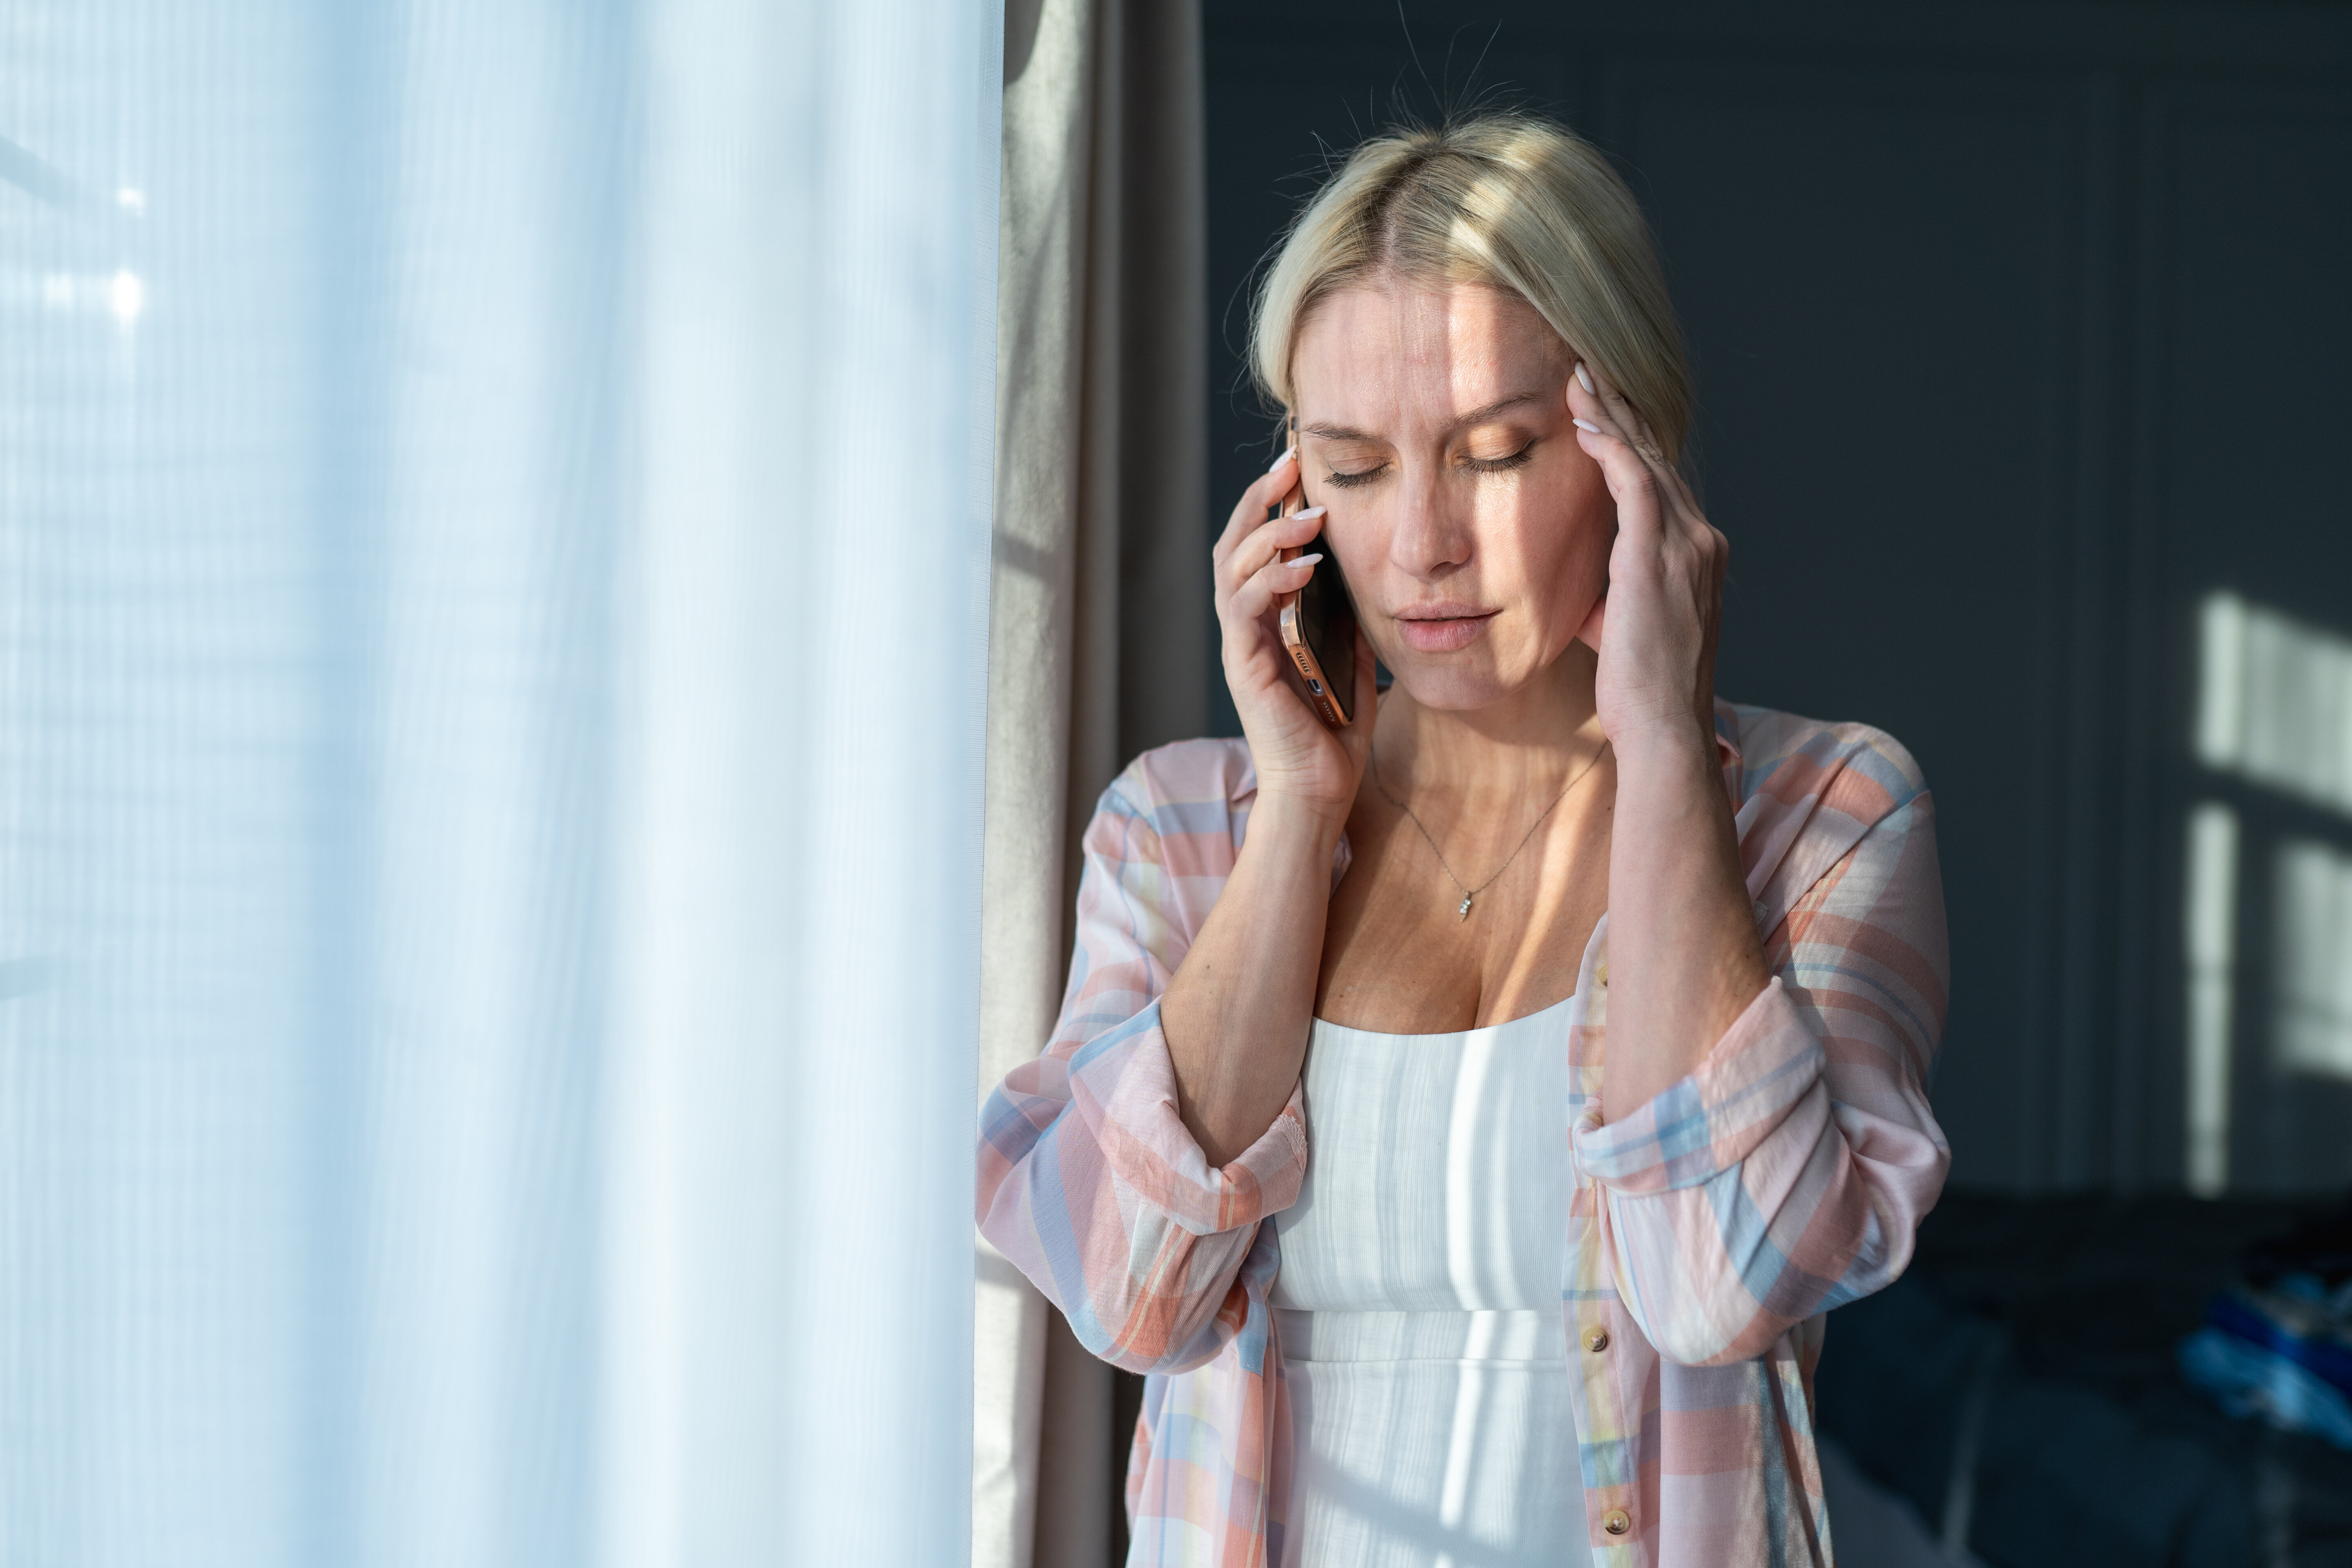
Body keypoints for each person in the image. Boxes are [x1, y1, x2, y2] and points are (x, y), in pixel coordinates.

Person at [977, 112, 1949, 1568]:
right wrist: (1299, 812)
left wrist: (1668, 748)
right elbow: (1132, 1298)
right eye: (1356, 470)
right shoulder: (1176, 835)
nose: (1423, 543)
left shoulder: (1823, 812)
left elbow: (1721, 1288)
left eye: (1492, 454)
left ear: (1634, 449)